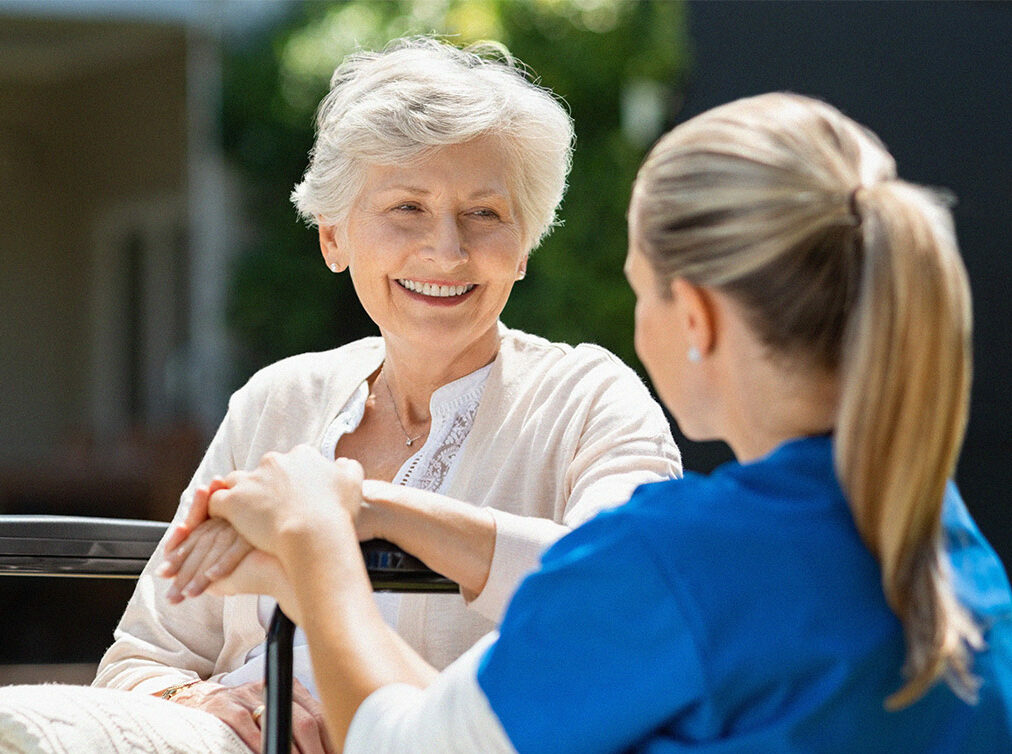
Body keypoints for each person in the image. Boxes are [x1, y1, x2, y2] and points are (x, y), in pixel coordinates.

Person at [162, 92, 1012, 752]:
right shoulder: (944, 539)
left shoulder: (670, 563)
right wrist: (378, 509)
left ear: (698, 319)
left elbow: (402, 746)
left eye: (640, 286)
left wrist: (315, 542)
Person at [0, 38, 679, 754]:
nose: (446, 251)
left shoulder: (590, 400)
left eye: (484, 214)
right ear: (333, 236)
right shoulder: (277, 399)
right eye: (407, 207)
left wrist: (358, 508)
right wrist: (216, 701)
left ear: (526, 242)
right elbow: (142, 657)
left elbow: (627, 595)